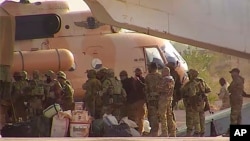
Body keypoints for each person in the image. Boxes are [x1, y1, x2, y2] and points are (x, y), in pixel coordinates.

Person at [181, 69, 211, 137]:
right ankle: (202, 131)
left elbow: (192, 95)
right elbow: (208, 90)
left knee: (196, 117)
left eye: (189, 74)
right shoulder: (201, 81)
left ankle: (197, 131)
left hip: (194, 102)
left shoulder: (192, 83)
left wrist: (193, 104)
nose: (188, 76)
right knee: (202, 116)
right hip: (201, 101)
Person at [224, 68, 244, 136]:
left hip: (236, 100)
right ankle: (238, 133)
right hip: (237, 100)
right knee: (238, 117)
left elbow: (230, 88)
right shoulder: (239, 80)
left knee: (234, 116)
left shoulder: (236, 81)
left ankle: (231, 133)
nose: (231, 75)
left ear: (236, 73)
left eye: (232, 73)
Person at [157, 67, 176, 137]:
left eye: (162, 72)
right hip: (169, 98)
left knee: (163, 115)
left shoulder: (165, 80)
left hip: (163, 99)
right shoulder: (172, 79)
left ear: (165, 72)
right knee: (169, 115)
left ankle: (164, 132)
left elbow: (161, 88)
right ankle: (173, 131)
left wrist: (158, 88)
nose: (161, 73)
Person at [145, 62, 161, 136]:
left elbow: (146, 89)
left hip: (151, 99)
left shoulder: (148, 77)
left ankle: (154, 131)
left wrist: (146, 97)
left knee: (153, 115)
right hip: (160, 98)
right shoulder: (161, 76)